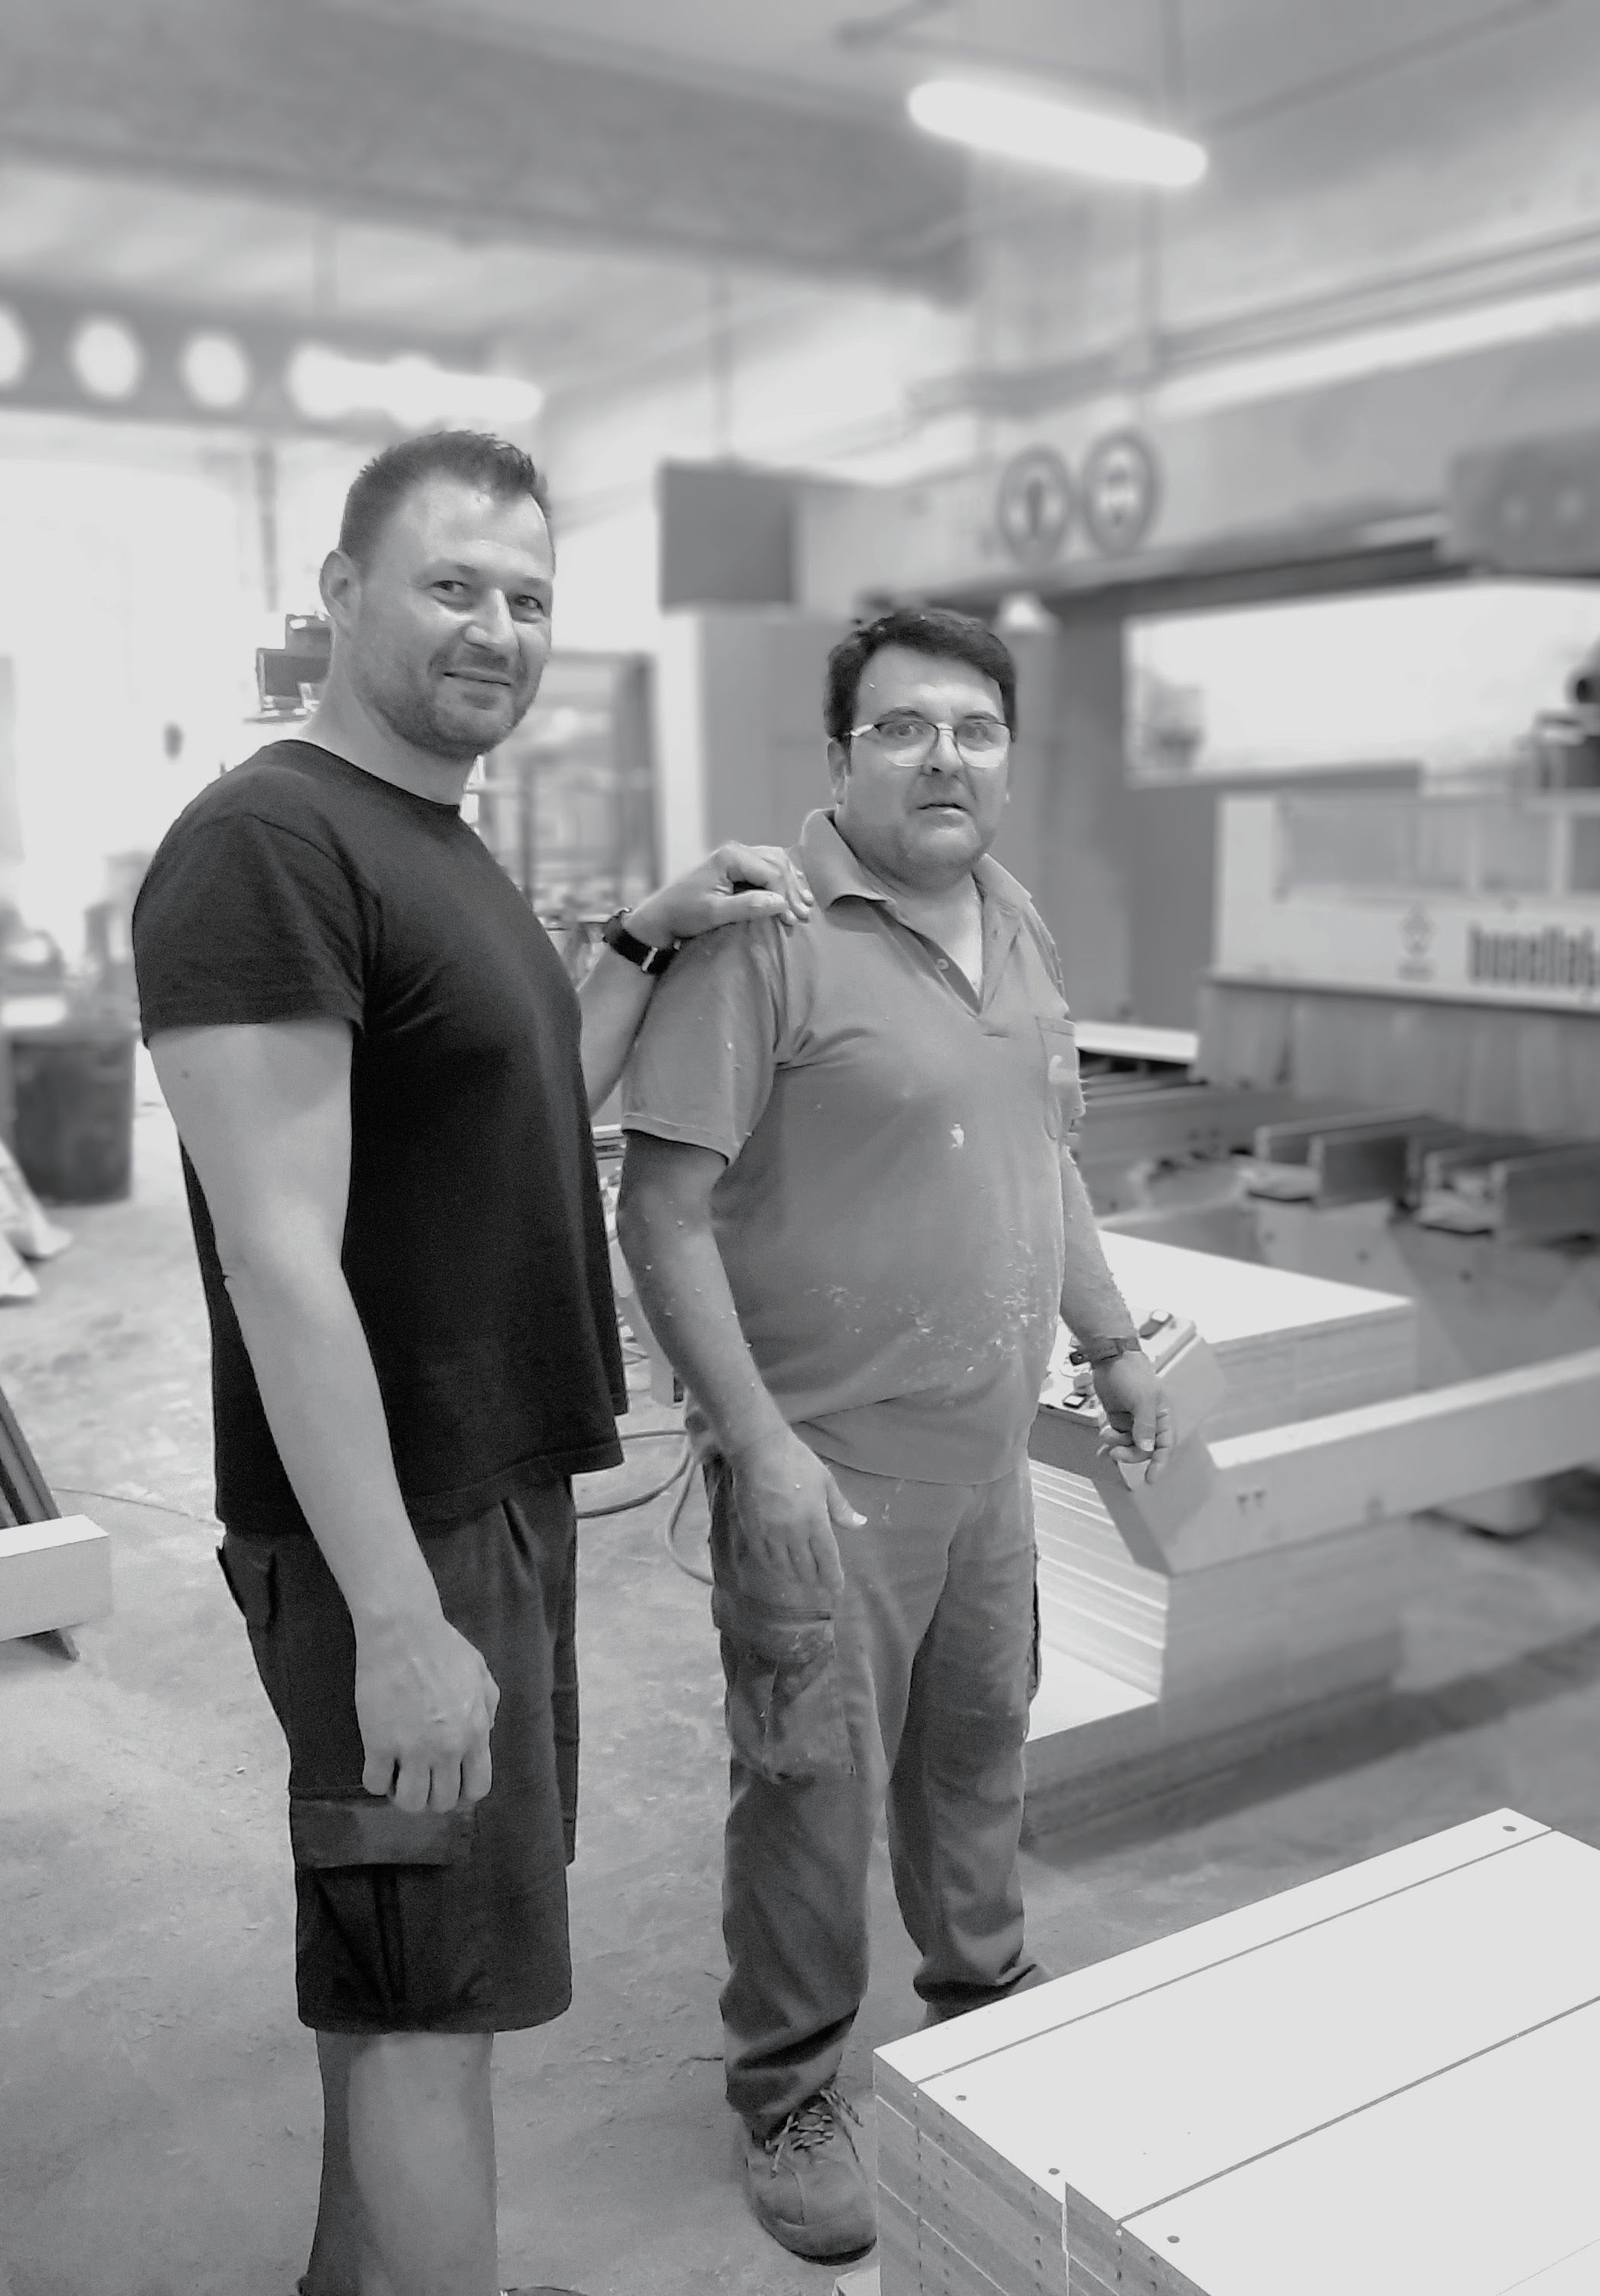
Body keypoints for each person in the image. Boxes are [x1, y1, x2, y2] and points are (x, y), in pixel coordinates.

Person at [132, 428, 813, 2296]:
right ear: (339, 595)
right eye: (450, 584)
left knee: (409, 1974)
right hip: (396, 1534)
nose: (494, 627)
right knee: (439, 2015)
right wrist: (397, 1624)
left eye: (527, 598)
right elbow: (278, 1260)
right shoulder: (271, 846)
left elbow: (519, 1122)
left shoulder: (431, 843)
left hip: (479, 1497)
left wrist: (639, 946)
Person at [615, 606, 1177, 2265]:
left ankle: (987, 2004)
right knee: (810, 1784)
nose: (946, 757)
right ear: (843, 755)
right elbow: (662, 1211)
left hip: (983, 1453)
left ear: (1009, 754)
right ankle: (788, 2084)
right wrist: (758, 1443)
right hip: (826, 1463)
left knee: (976, 1748)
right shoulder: (762, 938)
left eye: (977, 729)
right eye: (905, 727)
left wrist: (1114, 1340)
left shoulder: (1015, 925)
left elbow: (1043, 1159)